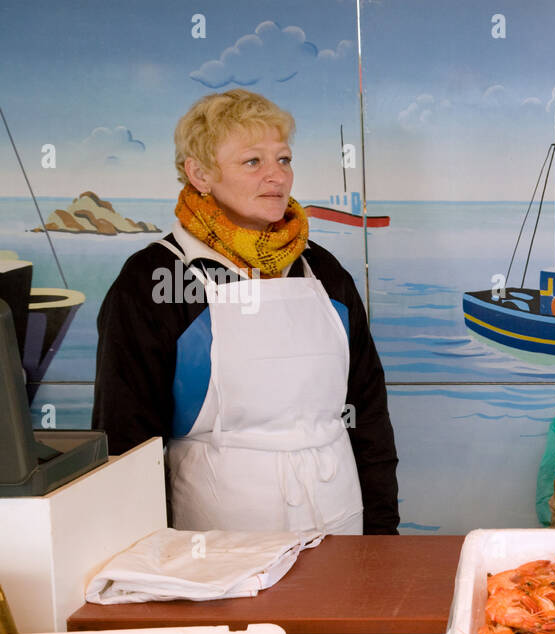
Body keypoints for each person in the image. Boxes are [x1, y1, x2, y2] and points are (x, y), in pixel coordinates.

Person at [92, 90, 399, 535]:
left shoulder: (323, 270)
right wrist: (142, 555)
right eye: (253, 162)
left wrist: (382, 538)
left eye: (284, 159)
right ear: (199, 173)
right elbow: (126, 437)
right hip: (216, 543)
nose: (277, 177)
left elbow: (368, 412)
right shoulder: (155, 279)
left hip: (340, 522)